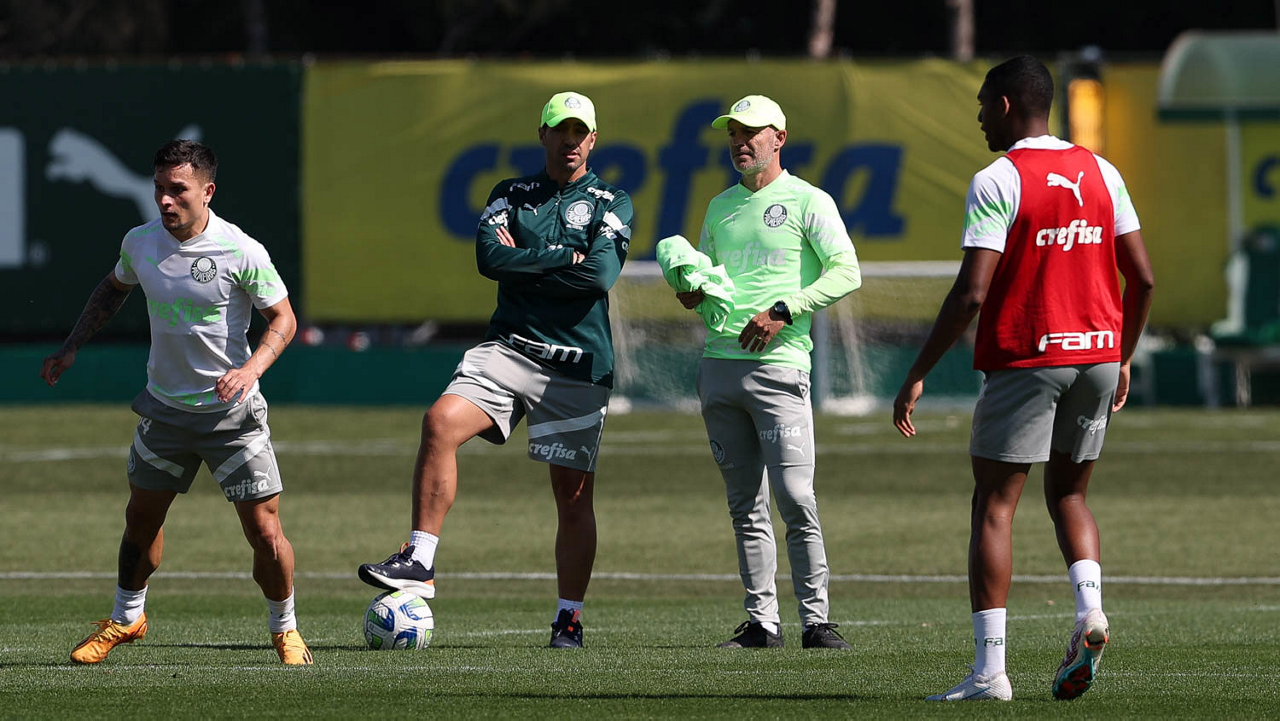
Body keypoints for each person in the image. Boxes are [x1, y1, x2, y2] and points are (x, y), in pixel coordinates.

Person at [892, 56, 1155, 701]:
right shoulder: (1103, 171)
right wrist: (1122, 356)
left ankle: (990, 674)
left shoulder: (998, 178)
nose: (980, 118)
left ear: (1006, 105)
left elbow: (972, 293)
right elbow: (1144, 278)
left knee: (994, 505)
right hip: (1097, 355)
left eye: (983, 104)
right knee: (1069, 496)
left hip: (1028, 357)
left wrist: (918, 371)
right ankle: (1089, 611)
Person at [357, 91, 632, 649]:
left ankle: (569, 619)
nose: (570, 141)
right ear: (543, 134)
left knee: (572, 498)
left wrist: (527, 261)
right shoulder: (510, 193)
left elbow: (600, 277)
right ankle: (420, 560)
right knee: (439, 422)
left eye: (580, 132)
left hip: (577, 364)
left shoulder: (613, 201)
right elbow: (490, 259)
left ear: (593, 139)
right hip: (507, 350)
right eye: (560, 130)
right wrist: (565, 256)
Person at [40, 140, 312, 665]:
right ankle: (127, 617)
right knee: (140, 520)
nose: (165, 200)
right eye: (159, 189)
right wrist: (72, 345)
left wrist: (250, 370)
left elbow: (284, 318)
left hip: (232, 417)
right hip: (164, 412)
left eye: (178, 190)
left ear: (208, 192)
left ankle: (285, 628)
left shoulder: (241, 250)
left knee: (264, 531)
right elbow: (113, 288)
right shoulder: (140, 242)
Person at [676, 95, 862, 650]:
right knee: (744, 505)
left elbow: (846, 271)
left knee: (796, 497)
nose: (740, 142)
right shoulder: (719, 207)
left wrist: (785, 310)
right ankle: (762, 623)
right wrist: (693, 292)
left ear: (779, 137)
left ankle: (816, 621)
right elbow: (708, 283)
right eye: (733, 133)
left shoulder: (809, 199)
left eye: (751, 132)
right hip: (719, 368)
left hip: (780, 368)